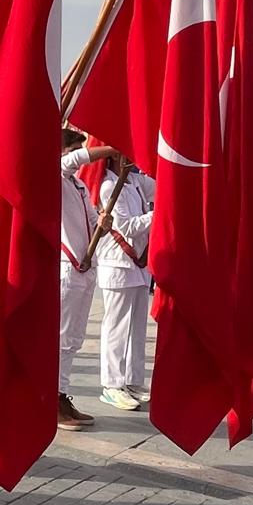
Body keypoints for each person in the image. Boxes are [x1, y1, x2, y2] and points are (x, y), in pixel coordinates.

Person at [56, 129, 118, 431]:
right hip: (66, 268)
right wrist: (113, 148)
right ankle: (53, 399)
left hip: (85, 267)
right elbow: (70, 161)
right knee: (61, 338)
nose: (79, 157)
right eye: (74, 150)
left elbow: (95, 226)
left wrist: (104, 224)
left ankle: (61, 394)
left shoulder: (79, 185)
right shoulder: (56, 176)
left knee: (73, 339)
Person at [94, 157, 154, 412]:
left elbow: (164, 187)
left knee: (137, 326)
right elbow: (128, 227)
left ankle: (132, 379)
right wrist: (157, 215)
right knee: (116, 326)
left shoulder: (135, 181)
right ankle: (112, 384)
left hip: (138, 264)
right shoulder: (109, 185)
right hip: (117, 263)